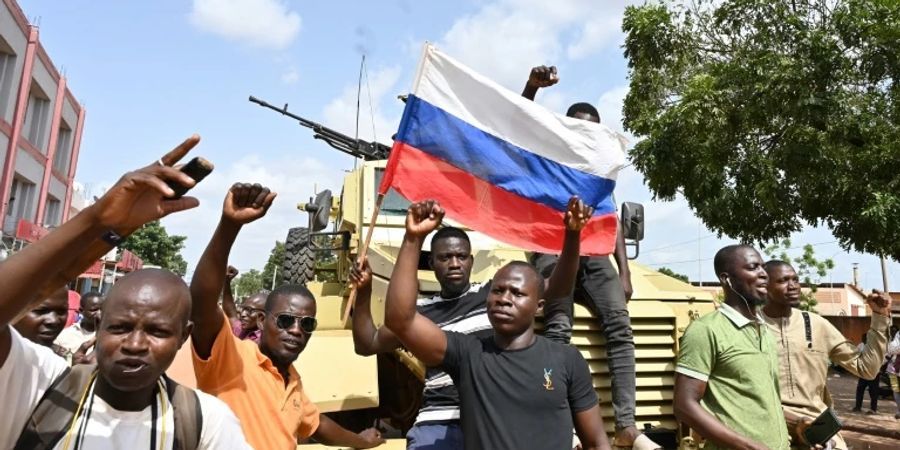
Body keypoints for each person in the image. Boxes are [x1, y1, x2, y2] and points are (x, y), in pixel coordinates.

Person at [0, 136, 252, 449]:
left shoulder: (205, 422)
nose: (134, 345)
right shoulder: (39, 382)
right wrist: (97, 221)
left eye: (157, 331)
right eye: (119, 327)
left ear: (183, 337)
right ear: (99, 321)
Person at [352, 197, 587, 449]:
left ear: (471, 261)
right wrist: (364, 293)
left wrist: (573, 236)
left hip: (496, 415)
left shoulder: (494, 296)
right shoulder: (418, 313)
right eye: (446, 257)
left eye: (461, 256)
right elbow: (368, 343)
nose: (455, 263)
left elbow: (557, 287)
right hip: (440, 418)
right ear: (431, 263)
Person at [189, 182, 385, 450]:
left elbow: (319, 427)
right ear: (261, 321)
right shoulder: (231, 357)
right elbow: (201, 304)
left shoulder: (292, 382)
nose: (296, 330)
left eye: (307, 324)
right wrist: (229, 226)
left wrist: (360, 442)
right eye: (285, 320)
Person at [522, 64, 648, 448]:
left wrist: (624, 272)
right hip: (551, 252)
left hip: (595, 254)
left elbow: (613, 221)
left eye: (592, 128)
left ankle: (626, 425)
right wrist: (531, 87)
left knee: (620, 329)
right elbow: (516, 128)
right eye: (579, 126)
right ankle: (566, 425)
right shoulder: (545, 158)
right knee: (558, 330)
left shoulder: (600, 168)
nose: (586, 133)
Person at [761, 259, 891, 448]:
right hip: (770, 426)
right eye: (783, 281)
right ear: (764, 287)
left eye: (796, 280)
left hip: (817, 427)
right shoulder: (751, 328)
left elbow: (867, 369)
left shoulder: (816, 324)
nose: (793, 286)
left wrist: (879, 317)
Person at [674, 245, 790, 450]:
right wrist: (749, 447)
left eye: (763, 267)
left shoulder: (763, 330)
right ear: (726, 279)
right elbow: (684, 406)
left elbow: (762, 402)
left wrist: (796, 428)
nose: (764, 274)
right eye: (753, 267)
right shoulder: (705, 330)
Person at [54, 290, 104, 362]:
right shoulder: (63, 336)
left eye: (102, 309)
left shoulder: (110, 336)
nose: (99, 313)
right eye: (94, 310)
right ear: (81, 310)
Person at [220, 265, 264, 343]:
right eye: (243, 308)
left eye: (250, 310)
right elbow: (230, 314)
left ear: (263, 316)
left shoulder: (265, 341)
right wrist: (226, 281)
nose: (242, 314)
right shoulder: (241, 330)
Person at [853, 334, 880, 414]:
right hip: (863, 371)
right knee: (860, 389)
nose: (864, 340)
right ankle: (858, 406)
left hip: (873, 372)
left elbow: (882, 358)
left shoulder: (876, 347)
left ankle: (873, 409)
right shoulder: (861, 345)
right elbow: (855, 354)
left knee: (873, 391)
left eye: (866, 338)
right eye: (863, 338)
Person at [887, 325, 900, 420]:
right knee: (896, 390)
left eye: (894, 330)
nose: (892, 332)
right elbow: (891, 350)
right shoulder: (898, 336)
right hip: (894, 370)